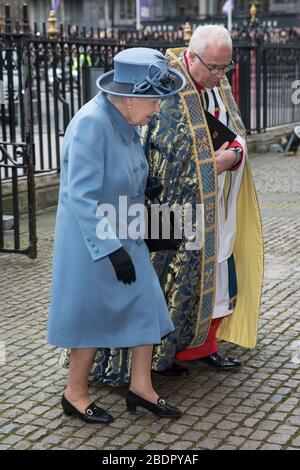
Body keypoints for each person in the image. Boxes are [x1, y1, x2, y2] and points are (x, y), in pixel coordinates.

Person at [88, 25, 263, 385]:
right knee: (170, 275)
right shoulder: (167, 81)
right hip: (169, 205)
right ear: (192, 55)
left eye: (225, 68)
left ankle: (201, 344)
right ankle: (162, 354)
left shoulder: (219, 82)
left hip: (217, 197)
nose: (218, 76)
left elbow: (237, 131)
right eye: (213, 68)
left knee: (216, 270)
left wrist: (234, 154)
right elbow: (153, 141)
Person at [47, 47, 186, 424]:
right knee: (89, 317)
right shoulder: (93, 122)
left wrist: (146, 186)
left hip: (125, 232)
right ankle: (74, 394)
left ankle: (141, 388)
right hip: (93, 240)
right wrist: (110, 249)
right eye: (153, 101)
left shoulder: (123, 119)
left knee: (147, 305)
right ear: (130, 97)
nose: (157, 109)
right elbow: (81, 195)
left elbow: (121, 172)